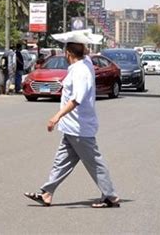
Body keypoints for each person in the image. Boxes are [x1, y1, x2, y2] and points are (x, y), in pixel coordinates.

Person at [24, 32, 120, 208]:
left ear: (68, 53)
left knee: (94, 162)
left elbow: (77, 98)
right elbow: (87, 56)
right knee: (61, 161)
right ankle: (47, 192)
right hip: (71, 127)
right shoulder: (84, 64)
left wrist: (56, 116)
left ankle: (110, 196)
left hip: (79, 126)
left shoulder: (81, 70)